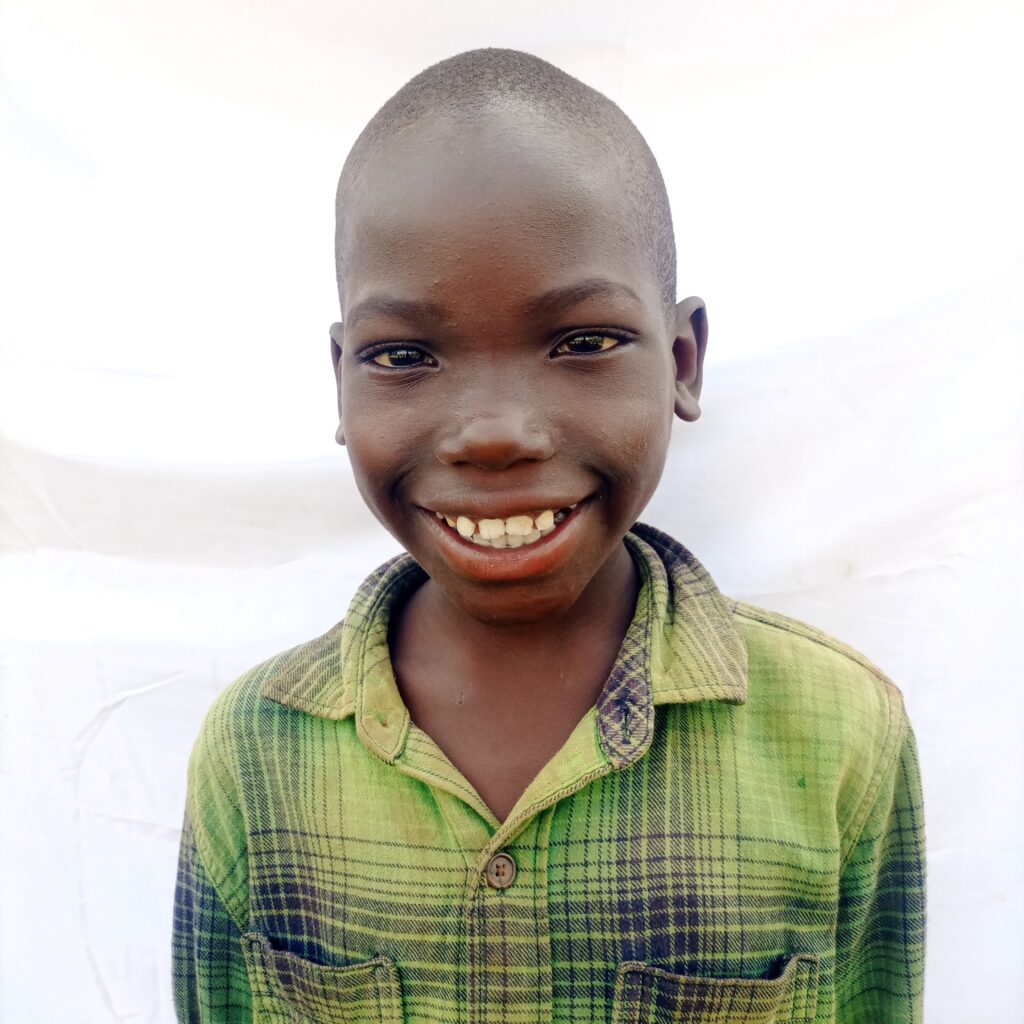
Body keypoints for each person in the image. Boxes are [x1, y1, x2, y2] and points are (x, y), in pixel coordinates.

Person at [171, 48, 925, 1024]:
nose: (495, 434)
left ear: (683, 361)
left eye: (583, 342)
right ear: (342, 381)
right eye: (403, 355)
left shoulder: (840, 734)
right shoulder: (254, 755)